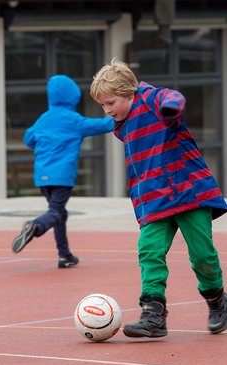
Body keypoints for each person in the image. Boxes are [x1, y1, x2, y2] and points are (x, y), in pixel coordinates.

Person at [89, 58, 227, 338]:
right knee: (150, 252)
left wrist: (171, 108)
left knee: (202, 254)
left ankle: (216, 301)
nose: (107, 110)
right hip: (153, 200)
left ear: (129, 92)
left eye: (110, 103)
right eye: (102, 105)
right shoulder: (123, 125)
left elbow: (173, 97)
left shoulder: (152, 99)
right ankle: (153, 314)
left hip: (189, 193)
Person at [12, 74, 114, 268]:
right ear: (73, 97)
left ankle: (65, 256)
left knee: (59, 213)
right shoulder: (73, 120)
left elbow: (28, 139)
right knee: (56, 213)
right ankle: (36, 226)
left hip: (42, 177)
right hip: (62, 177)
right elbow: (100, 125)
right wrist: (122, 116)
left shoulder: (43, 119)